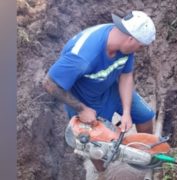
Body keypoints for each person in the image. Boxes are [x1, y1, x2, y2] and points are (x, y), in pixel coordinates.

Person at [42, 10, 156, 172]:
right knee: (97, 145)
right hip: (85, 101)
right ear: (131, 39)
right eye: (140, 46)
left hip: (110, 87)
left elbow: (126, 75)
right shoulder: (83, 56)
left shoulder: (123, 43)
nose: (138, 50)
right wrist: (81, 109)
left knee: (145, 116)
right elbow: (49, 83)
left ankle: (146, 153)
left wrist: (126, 112)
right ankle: (104, 172)